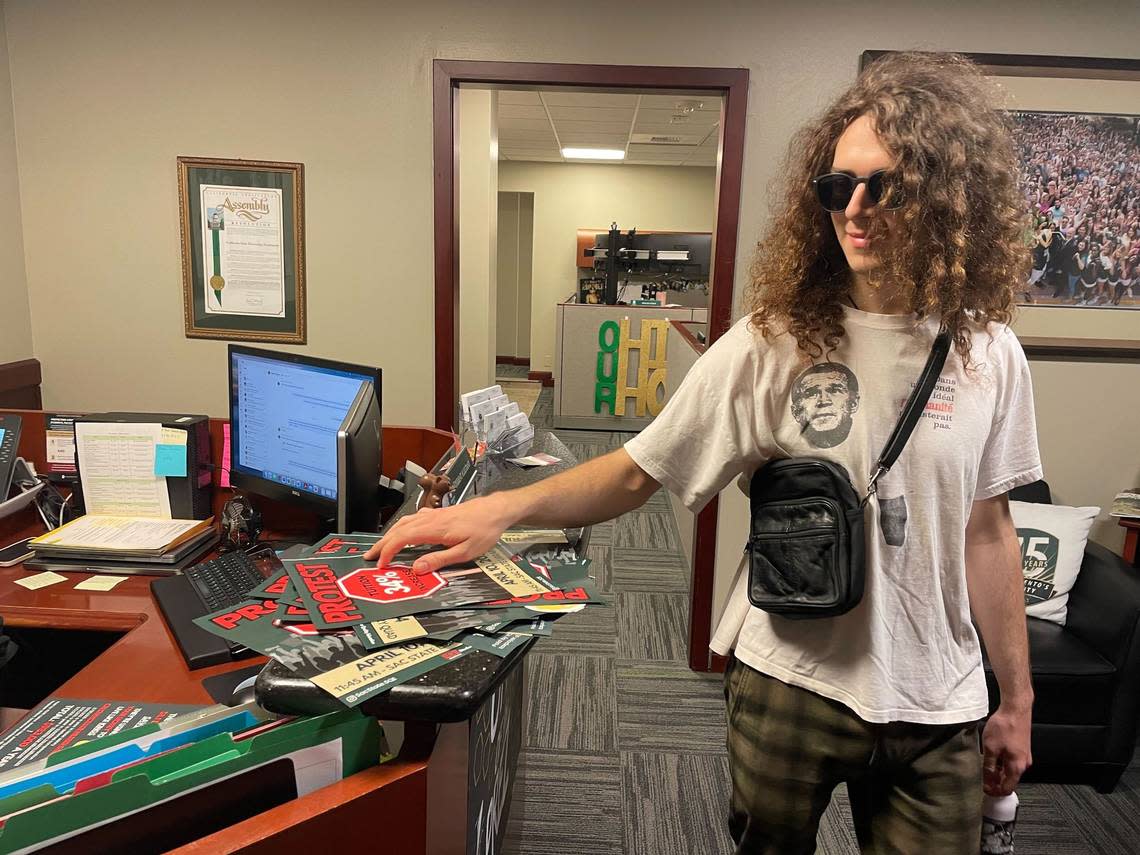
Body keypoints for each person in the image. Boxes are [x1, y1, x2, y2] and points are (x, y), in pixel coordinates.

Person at [367, 52, 1040, 854]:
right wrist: (492, 512)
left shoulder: (988, 352)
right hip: (792, 679)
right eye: (836, 188)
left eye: (882, 187)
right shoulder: (771, 344)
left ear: (944, 196)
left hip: (939, 699)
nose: (854, 211)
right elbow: (632, 471)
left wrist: (1017, 697)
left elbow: (987, 530)